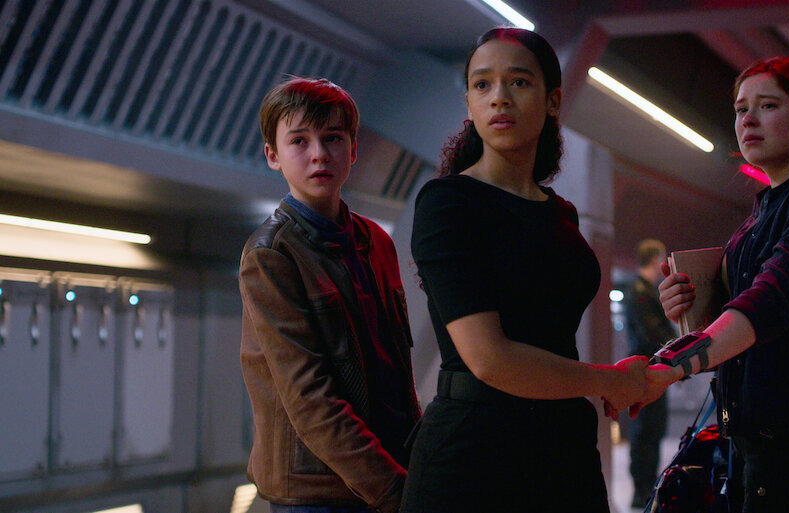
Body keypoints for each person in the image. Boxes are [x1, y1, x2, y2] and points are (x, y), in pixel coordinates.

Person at [401, 27, 675, 513]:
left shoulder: (560, 212)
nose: (499, 97)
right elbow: (489, 358)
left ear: (552, 100)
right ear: (469, 104)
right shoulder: (448, 203)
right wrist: (608, 381)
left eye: (519, 82)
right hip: (475, 455)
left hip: (562, 447)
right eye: (482, 84)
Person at [658, 56, 789, 512]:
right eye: (741, 109)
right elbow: (743, 318)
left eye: (768, 105)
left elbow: (769, 302)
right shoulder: (762, 211)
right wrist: (688, 306)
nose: (748, 119)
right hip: (754, 437)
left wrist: (668, 367)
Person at [238, 77, 421, 513]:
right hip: (315, 491)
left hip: (388, 473)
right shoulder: (271, 255)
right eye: (299, 141)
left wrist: (415, 469)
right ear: (273, 155)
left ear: (353, 150)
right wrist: (397, 493)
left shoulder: (376, 241)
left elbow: (398, 373)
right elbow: (310, 397)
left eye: (333, 138)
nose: (319, 153)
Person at [625, 239, 677, 508]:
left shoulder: (644, 291)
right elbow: (652, 333)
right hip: (645, 372)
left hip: (651, 369)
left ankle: (647, 488)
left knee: (653, 432)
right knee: (645, 432)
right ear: (655, 260)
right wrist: (677, 358)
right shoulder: (640, 293)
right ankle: (641, 491)